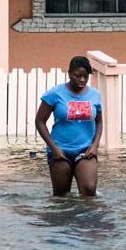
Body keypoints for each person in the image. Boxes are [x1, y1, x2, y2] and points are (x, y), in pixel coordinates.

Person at [35, 56, 103, 197]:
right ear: (69, 73)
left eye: (86, 76)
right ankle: (64, 219)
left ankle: (86, 219)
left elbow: (99, 122)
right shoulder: (55, 93)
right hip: (60, 150)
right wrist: (54, 148)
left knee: (89, 190)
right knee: (61, 196)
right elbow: (40, 121)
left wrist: (95, 146)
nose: (82, 80)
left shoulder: (95, 95)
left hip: (86, 150)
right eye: (78, 76)